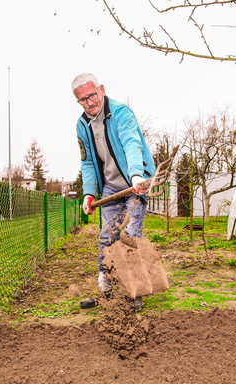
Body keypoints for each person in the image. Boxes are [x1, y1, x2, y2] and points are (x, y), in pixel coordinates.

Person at [71, 73, 156, 311]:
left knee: (130, 234)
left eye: (92, 95)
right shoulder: (82, 125)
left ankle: (135, 291)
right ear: (78, 101)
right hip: (110, 187)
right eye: (83, 99)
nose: (89, 102)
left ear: (102, 90)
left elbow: (132, 143)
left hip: (135, 183)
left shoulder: (121, 113)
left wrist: (137, 175)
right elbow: (87, 162)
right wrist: (89, 193)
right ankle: (106, 287)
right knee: (107, 236)